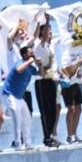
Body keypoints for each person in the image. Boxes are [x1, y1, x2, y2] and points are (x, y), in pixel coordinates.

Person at [31, 20, 62, 148]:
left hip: (51, 80)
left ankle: (51, 135)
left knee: (53, 110)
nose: (50, 32)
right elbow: (42, 38)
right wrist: (46, 19)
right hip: (41, 82)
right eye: (48, 29)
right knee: (45, 111)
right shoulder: (38, 44)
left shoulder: (49, 46)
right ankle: (47, 137)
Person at [3, 45, 38, 150]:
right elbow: (18, 70)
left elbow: (41, 73)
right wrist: (30, 61)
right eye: (30, 53)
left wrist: (39, 65)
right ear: (24, 55)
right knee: (17, 119)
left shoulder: (30, 67)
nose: (32, 54)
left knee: (27, 118)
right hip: (10, 94)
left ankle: (28, 143)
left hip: (19, 97)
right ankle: (17, 143)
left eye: (32, 53)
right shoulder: (20, 63)